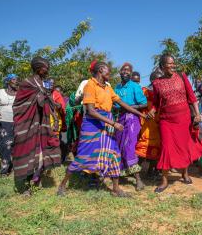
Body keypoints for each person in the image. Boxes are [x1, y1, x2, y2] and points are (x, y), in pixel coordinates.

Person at [57, 61, 146, 197]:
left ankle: (116, 189)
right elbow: (91, 111)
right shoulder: (90, 86)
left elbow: (122, 103)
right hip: (93, 124)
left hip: (106, 122)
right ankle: (62, 185)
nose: (109, 73)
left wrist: (141, 114)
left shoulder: (108, 88)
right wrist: (113, 123)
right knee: (83, 155)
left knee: (114, 154)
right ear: (100, 71)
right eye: (107, 70)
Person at [147, 54, 202, 193]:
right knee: (166, 147)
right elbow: (155, 103)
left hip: (183, 119)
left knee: (183, 146)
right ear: (162, 66)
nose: (172, 66)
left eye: (173, 63)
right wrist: (152, 111)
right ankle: (164, 180)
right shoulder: (157, 83)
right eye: (169, 64)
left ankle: (185, 173)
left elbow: (192, 97)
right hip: (166, 120)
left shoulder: (182, 76)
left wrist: (196, 114)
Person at [12, 57, 61, 194]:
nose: (47, 70)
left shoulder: (43, 83)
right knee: (28, 151)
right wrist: (42, 96)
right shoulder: (28, 82)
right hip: (28, 124)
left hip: (41, 123)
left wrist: (55, 113)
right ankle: (26, 184)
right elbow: (19, 104)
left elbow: (47, 99)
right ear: (38, 68)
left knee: (40, 153)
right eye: (46, 68)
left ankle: (35, 180)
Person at [115, 63, 148, 191]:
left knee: (129, 147)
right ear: (120, 72)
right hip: (120, 119)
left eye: (128, 71)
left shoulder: (135, 86)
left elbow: (143, 103)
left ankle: (138, 180)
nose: (125, 72)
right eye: (123, 70)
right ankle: (122, 173)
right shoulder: (117, 87)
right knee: (119, 146)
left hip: (132, 119)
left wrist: (128, 107)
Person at [135, 69, 163, 178]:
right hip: (145, 124)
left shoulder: (162, 92)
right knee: (142, 148)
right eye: (158, 78)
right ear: (152, 79)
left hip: (158, 124)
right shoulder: (144, 91)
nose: (160, 80)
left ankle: (151, 172)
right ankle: (135, 173)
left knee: (156, 149)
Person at [0, 74, 18, 176]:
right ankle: (7, 165)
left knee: (9, 145)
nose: (16, 81)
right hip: (2, 122)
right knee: (1, 146)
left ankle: (5, 170)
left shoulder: (19, 94)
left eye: (17, 79)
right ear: (8, 81)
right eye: (14, 79)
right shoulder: (0, 92)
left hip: (15, 122)